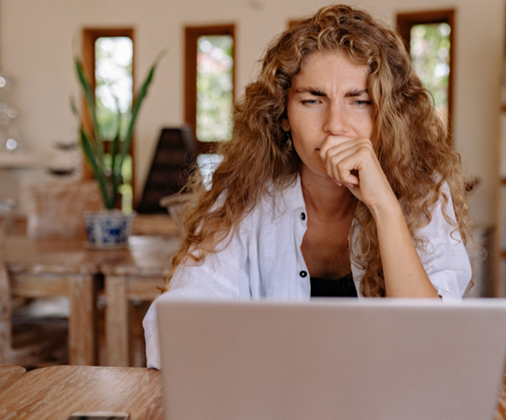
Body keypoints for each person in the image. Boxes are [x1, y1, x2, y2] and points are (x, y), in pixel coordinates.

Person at [143, 4, 471, 369]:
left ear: (387, 116)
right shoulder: (243, 194)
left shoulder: (424, 191)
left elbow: (434, 348)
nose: (335, 125)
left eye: (359, 101)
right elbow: (170, 332)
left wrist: (385, 207)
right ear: (283, 115)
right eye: (312, 100)